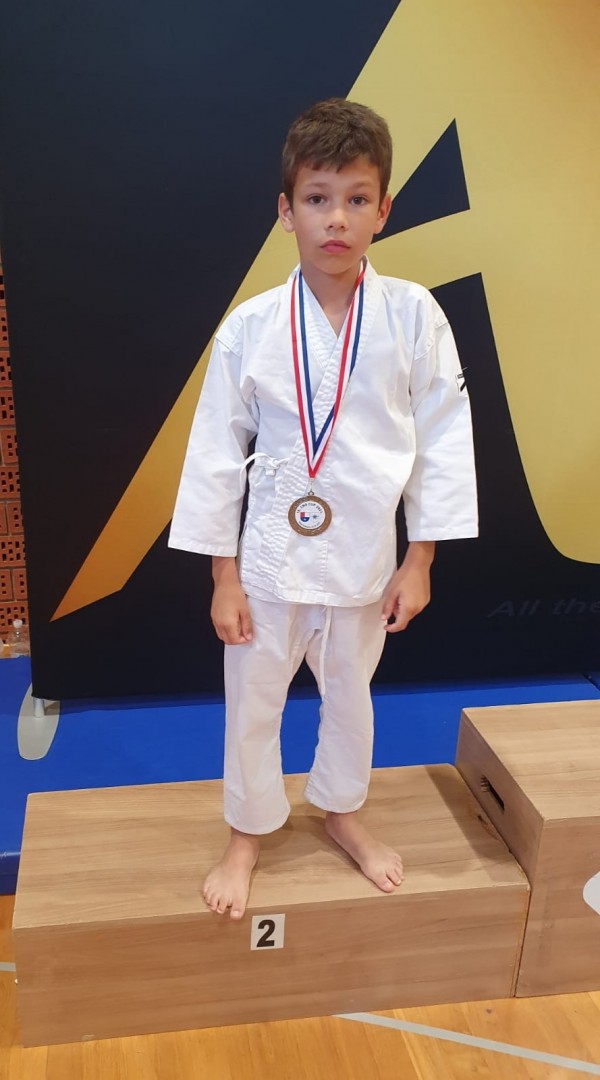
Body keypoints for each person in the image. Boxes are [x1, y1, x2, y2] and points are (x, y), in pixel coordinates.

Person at [169, 98, 478, 920]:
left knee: (351, 697)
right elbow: (214, 455)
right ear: (286, 211)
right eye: (317, 198)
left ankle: (342, 813)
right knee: (253, 701)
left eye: (355, 198)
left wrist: (420, 559)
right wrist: (223, 577)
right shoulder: (251, 328)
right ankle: (247, 834)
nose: (335, 218)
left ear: (383, 210)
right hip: (269, 562)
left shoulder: (413, 315)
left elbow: (444, 441)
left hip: (366, 559)